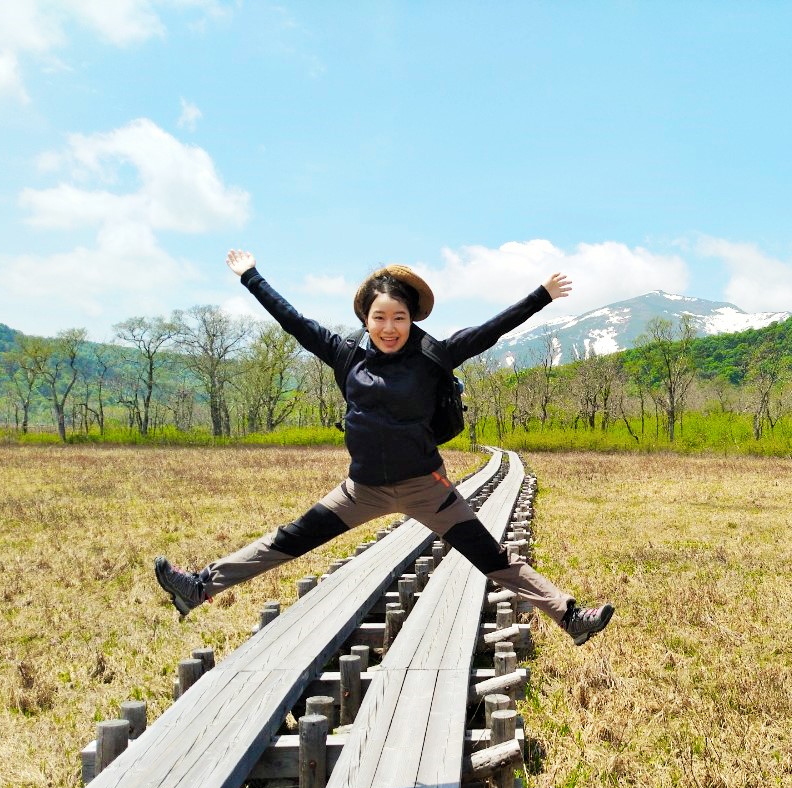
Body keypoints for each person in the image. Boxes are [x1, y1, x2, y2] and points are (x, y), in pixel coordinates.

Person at [154, 249, 614, 645]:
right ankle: (198, 588)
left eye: (399, 317)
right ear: (365, 319)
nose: (389, 327)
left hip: (426, 489)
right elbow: (293, 322)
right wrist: (251, 276)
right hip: (361, 491)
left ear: (411, 319)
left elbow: (490, 330)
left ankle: (570, 617)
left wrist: (542, 295)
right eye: (380, 317)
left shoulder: (435, 356)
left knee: (494, 558)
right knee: (288, 540)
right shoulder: (345, 355)